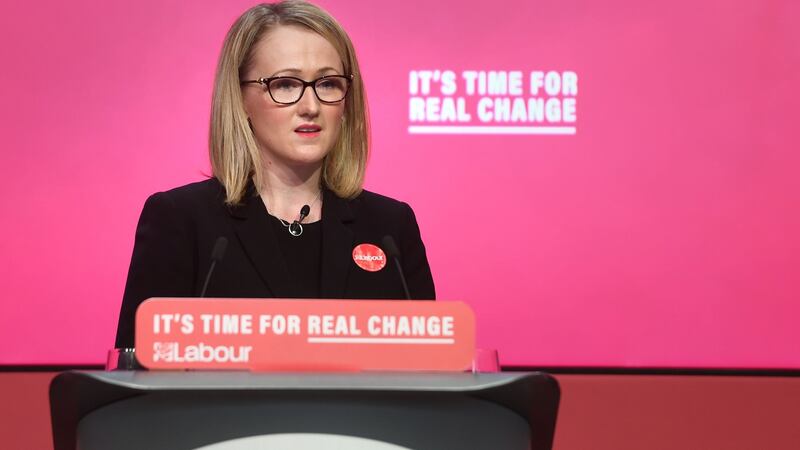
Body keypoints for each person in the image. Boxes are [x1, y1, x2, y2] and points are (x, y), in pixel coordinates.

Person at [115, 1, 435, 349]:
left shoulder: (390, 228)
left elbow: (430, 374)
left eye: (327, 84)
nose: (311, 106)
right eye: (284, 85)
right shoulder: (182, 222)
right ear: (241, 101)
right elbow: (135, 379)